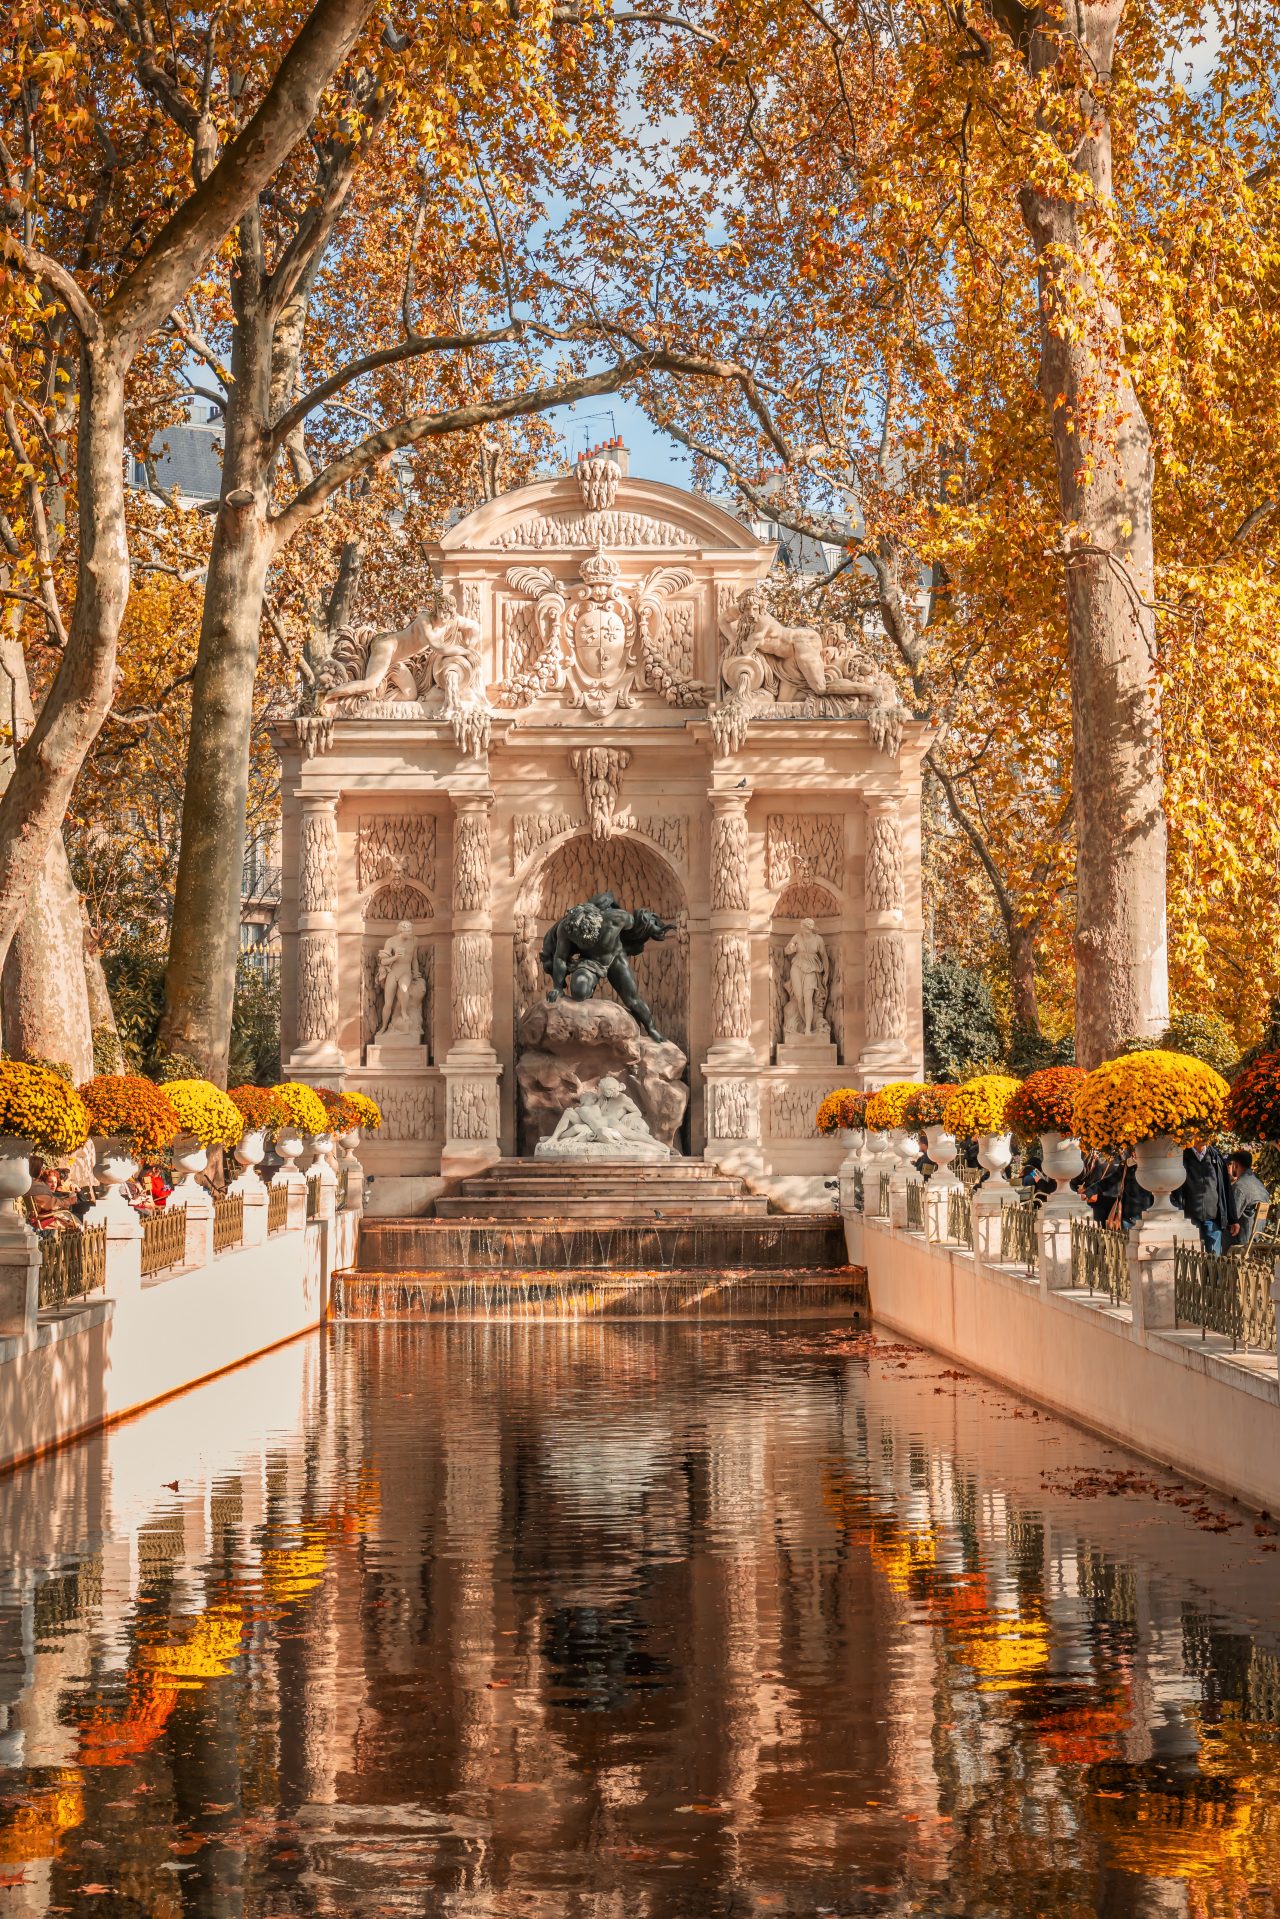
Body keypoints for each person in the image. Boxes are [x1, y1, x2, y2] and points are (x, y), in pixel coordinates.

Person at [1172, 1138, 1238, 1253]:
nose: (1202, 1137)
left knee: (1214, 1259)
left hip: (1213, 1218)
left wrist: (1233, 1219)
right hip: (1189, 1218)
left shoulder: (1216, 1157)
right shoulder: (1181, 1156)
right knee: (1190, 1258)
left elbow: (1226, 1189)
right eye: (1199, 1133)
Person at [1226, 1149, 1270, 1248]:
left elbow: (1231, 1217)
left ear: (1235, 1165)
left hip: (1241, 1240)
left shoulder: (1239, 1186)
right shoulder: (1260, 1185)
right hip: (1257, 1237)